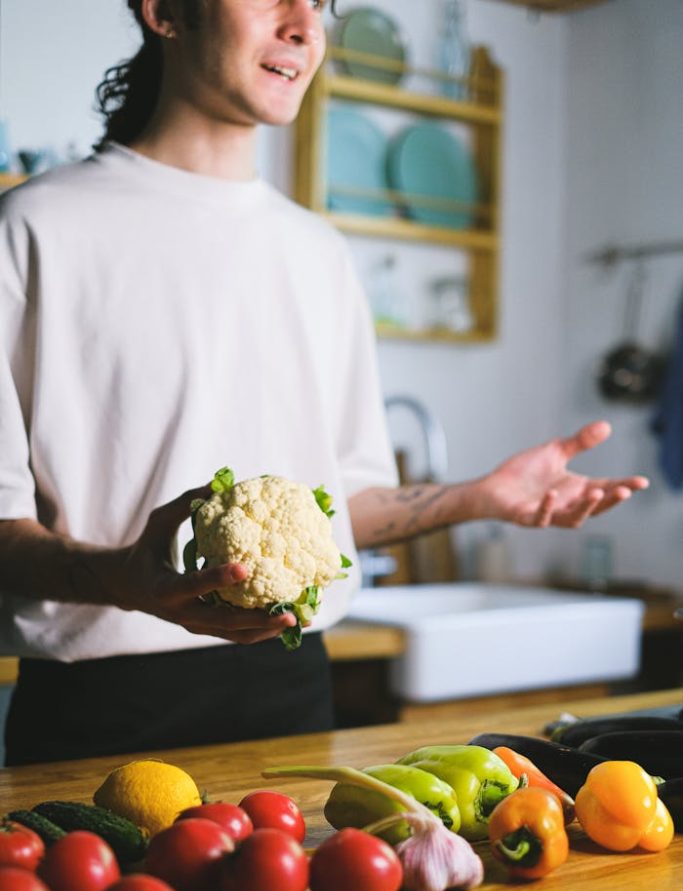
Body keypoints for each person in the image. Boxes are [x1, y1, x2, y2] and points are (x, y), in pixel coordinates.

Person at [0, 0, 649, 766]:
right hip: (100, 707)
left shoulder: (318, 253)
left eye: (318, 2)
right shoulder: (34, 228)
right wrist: (126, 580)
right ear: (167, 11)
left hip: (294, 688)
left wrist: (480, 497)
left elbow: (343, 508)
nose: (305, 25)